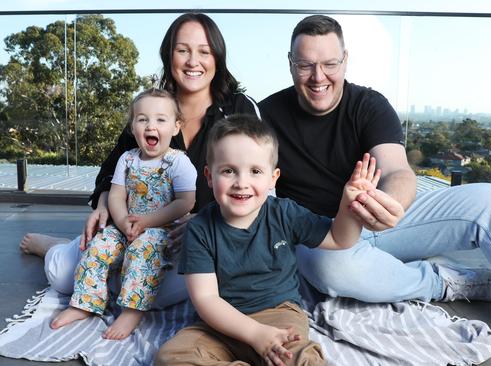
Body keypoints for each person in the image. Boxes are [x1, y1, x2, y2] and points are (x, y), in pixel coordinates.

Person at [259, 14, 491, 345]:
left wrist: (390, 203)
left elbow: (397, 171)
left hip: (381, 218)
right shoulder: (264, 116)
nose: (318, 76)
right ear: (291, 64)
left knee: (490, 199)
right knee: (328, 268)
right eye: (306, 65)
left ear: (345, 60)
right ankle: (444, 281)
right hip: (323, 238)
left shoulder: (368, 104)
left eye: (329, 64)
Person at [19, 12, 259, 309]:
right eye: (182, 50)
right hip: (133, 229)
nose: (192, 61)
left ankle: (101, 268)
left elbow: (260, 186)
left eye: (204, 52)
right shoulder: (151, 109)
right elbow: (111, 170)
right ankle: (57, 249)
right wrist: (107, 202)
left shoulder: (240, 109)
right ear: (168, 55)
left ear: (217, 58)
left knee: (155, 295)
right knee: (63, 277)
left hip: (201, 241)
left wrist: (208, 222)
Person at [156, 114, 380, 366]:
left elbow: (340, 239)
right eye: (228, 171)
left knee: (300, 359)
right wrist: (254, 334)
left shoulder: (284, 213)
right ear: (209, 176)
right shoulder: (200, 228)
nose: (242, 183)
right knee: (170, 357)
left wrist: (349, 205)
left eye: (255, 171)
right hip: (221, 324)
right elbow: (206, 299)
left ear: (273, 179)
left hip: (278, 317)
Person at [49, 88, 196, 340]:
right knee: (98, 246)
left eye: (161, 119)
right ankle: (84, 303)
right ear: (132, 126)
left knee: (144, 250)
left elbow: (185, 202)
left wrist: (147, 222)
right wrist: (122, 221)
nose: (151, 126)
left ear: (175, 127)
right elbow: (116, 195)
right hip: (126, 223)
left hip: (161, 229)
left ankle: (132, 310)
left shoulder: (178, 162)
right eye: (142, 119)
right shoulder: (127, 159)